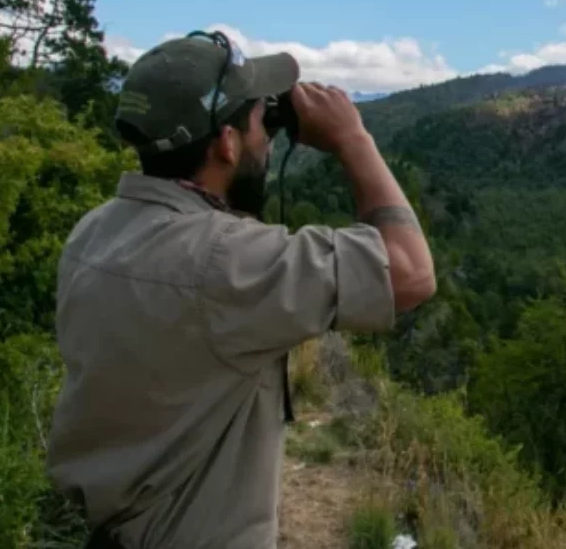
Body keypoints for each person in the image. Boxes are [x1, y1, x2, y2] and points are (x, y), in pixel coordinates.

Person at [45, 31, 436, 549]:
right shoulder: (224, 263)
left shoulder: (94, 231)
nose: (268, 138)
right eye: (259, 121)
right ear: (226, 144)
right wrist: (353, 140)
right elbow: (410, 272)